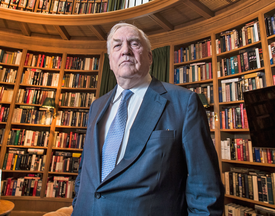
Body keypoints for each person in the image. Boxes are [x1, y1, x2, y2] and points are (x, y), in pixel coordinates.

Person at [71, 23, 224, 216]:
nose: (125, 50)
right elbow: (86, 169)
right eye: (117, 46)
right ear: (110, 61)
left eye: (134, 43)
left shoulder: (184, 103)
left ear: (150, 57)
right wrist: (77, 204)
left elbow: (205, 188)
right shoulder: (97, 106)